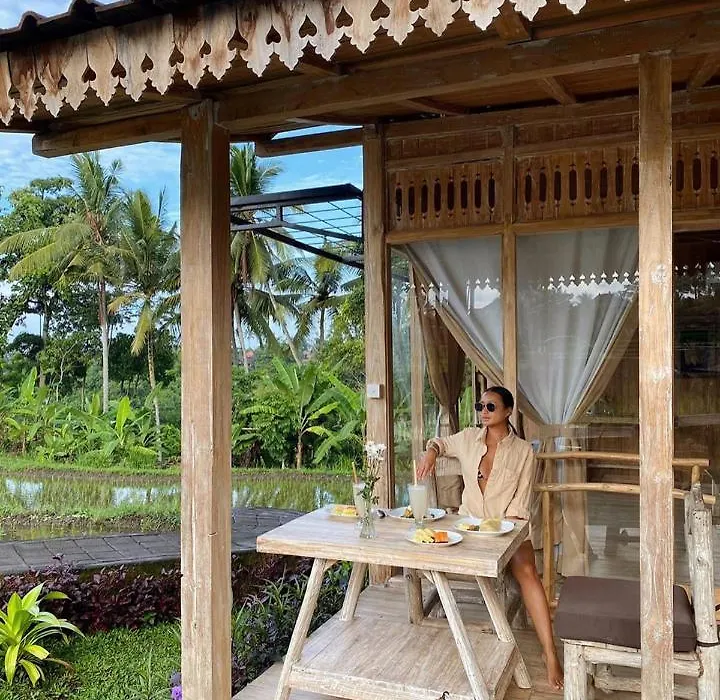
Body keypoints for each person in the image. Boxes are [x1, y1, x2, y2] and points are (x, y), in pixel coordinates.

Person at [417, 385, 564, 691]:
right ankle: (436, 644)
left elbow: (521, 505)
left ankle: (550, 653)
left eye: (491, 407)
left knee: (527, 572)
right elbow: (439, 443)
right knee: (429, 554)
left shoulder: (523, 452)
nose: (483, 412)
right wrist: (431, 453)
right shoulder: (468, 439)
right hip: (468, 527)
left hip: (508, 528)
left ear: (508, 411)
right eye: (480, 406)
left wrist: (500, 535)